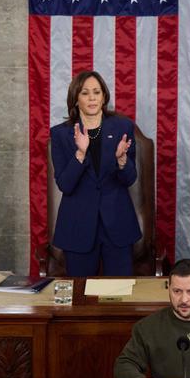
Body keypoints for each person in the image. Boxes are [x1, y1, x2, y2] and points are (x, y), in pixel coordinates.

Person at [50, 70, 141, 277]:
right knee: (81, 298)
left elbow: (129, 179)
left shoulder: (122, 127)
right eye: (85, 93)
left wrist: (121, 160)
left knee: (119, 296)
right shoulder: (61, 134)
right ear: (75, 99)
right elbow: (65, 184)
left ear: (104, 97)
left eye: (97, 92)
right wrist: (80, 154)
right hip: (78, 226)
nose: (92, 98)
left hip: (117, 224)